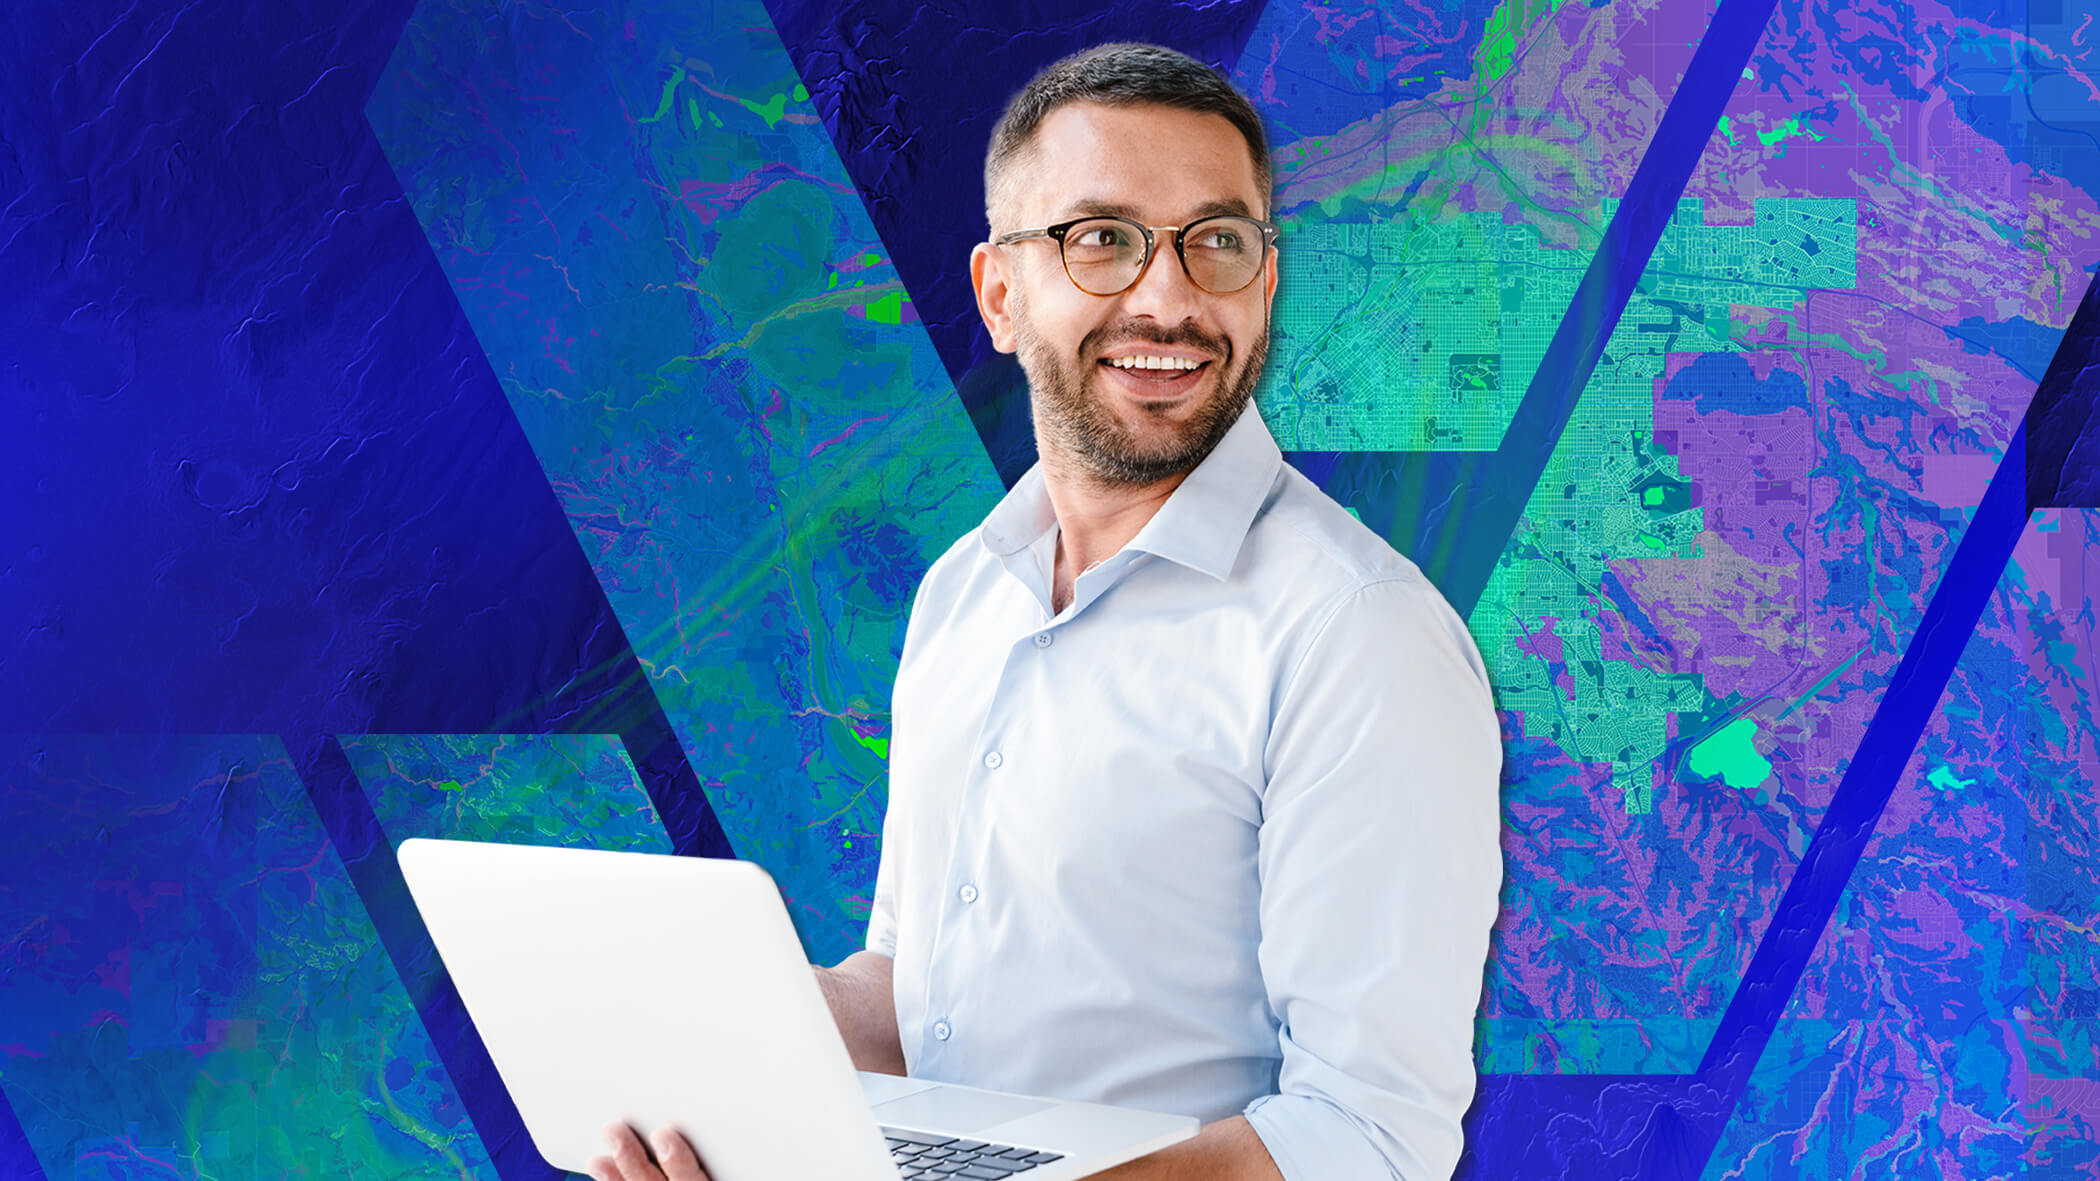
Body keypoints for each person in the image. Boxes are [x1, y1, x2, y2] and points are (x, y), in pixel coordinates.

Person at [590, 41, 1502, 1181]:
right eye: (1102, 240)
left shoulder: (1355, 633)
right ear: (1001, 294)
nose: (1168, 298)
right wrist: (724, 1064)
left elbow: (1366, 1136)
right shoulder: (963, 596)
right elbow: (918, 989)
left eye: (1217, 243)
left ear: (1265, 284)